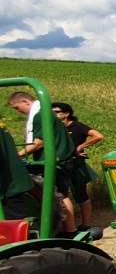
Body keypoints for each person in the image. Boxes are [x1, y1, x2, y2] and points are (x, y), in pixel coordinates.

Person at [7, 91, 77, 235]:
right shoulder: (45, 114)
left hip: (56, 159)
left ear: (26, 102)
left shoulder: (41, 115)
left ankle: (70, 231)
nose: (17, 111)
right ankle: (68, 229)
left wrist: (15, 156)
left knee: (60, 196)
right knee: (60, 194)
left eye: (17, 107)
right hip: (59, 157)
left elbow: (38, 143)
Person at [51, 102, 104, 227]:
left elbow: (98, 135)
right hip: (60, 164)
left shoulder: (76, 126)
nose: (53, 115)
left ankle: (85, 224)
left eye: (56, 112)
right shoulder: (54, 127)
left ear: (66, 113)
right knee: (60, 195)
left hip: (76, 164)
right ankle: (67, 225)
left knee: (80, 194)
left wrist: (80, 147)